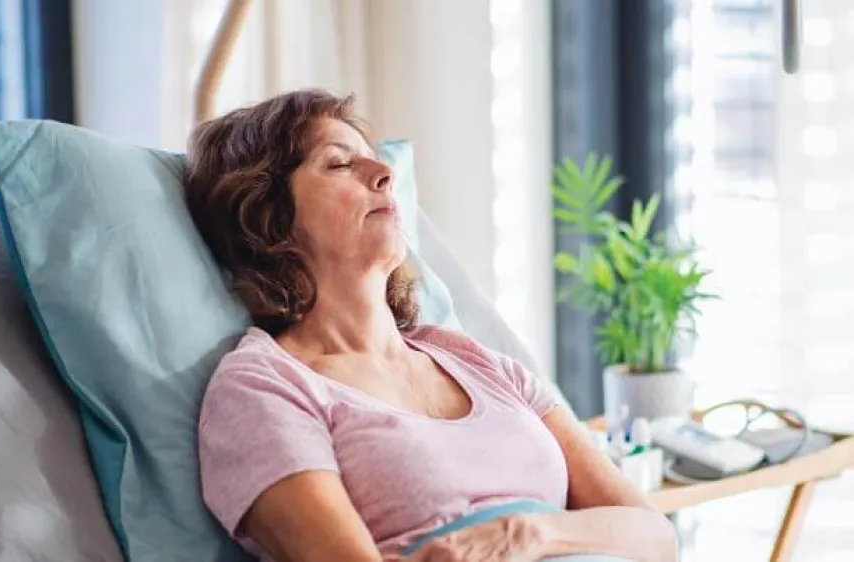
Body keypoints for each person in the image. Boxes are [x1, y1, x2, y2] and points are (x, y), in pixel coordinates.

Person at [185, 89, 677, 562]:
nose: (384, 174)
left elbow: (654, 537)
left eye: (376, 159)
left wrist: (527, 534)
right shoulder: (263, 388)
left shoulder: (475, 361)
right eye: (339, 163)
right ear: (269, 219)